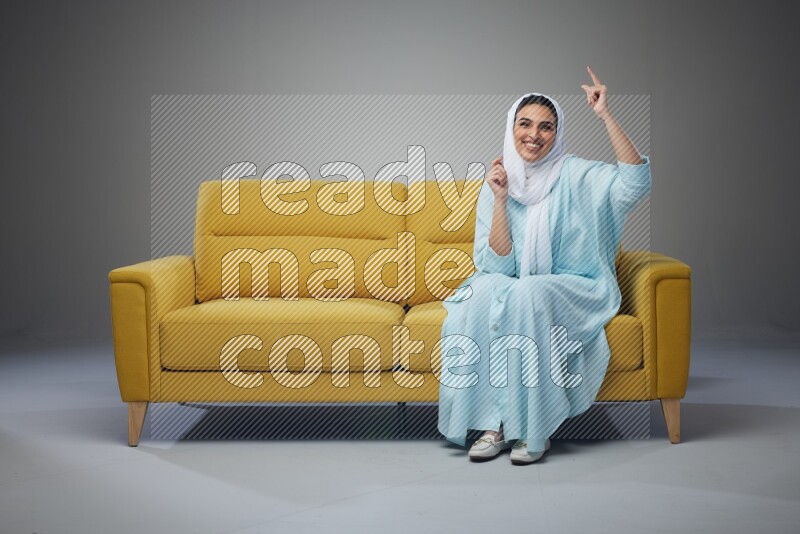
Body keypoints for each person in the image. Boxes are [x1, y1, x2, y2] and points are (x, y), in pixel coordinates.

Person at [437, 66, 651, 465]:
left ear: (557, 133)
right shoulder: (499, 182)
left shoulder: (578, 175)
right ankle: (494, 423)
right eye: (525, 124)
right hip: (518, 284)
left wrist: (605, 114)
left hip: (578, 285)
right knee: (483, 291)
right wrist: (501, 199)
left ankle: (533, 431)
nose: (533, 135)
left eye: (546, 127)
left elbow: (634, 183)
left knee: (527, 291)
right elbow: (496, 265)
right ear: (511, 127)